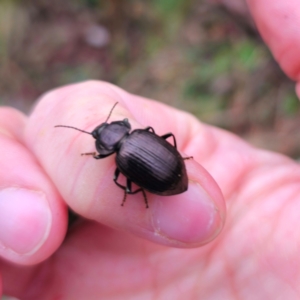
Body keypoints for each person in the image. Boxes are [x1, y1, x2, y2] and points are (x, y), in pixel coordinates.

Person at [0, 0, 299, 298]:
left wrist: (138, 191)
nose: (99, 131)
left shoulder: (121, 157)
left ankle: (146, 190)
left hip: (168, 173)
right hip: (170, 167)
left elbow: (123, 178)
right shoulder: (136, 138)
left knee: (122, 180)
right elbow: (156, 140)